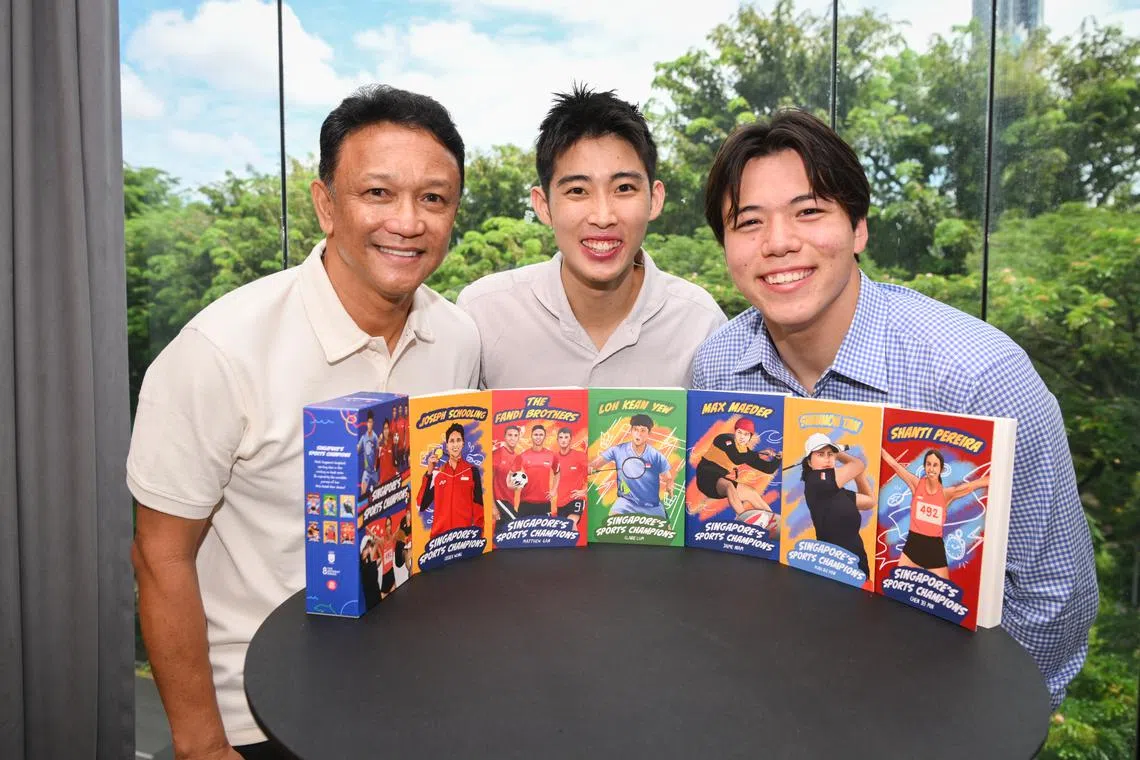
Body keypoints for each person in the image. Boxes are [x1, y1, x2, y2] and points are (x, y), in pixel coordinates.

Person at [691, 108, 1097, 708]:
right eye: (748, 222)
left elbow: (1052, 592)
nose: (778, 243)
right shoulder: (718, 367)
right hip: (771, 693)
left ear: (858, 229)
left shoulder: (977, 375)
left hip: (935, 707)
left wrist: (989, 724)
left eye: (809, 212)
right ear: (726, 244)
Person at [128, 85, 480, 759]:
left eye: (433, 199)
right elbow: (160, 555)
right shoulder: (221, 352)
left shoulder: (458, 337)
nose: (407, 221)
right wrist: (201, 745)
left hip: (413, 699)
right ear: (325, 204)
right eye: (377, 193)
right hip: (258, 717)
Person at [457, 84, 726, 388]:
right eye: (577, 191)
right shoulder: (483, 315)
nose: (602, 217)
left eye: (624, 188)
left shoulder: (700, 324)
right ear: (543, 206)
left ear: (655, 198)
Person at [881, 448, 990, 580]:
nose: (931, 468)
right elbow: (895, 465)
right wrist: (877, 447)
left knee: (944, 592)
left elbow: (974, 485)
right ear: (925, 466)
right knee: (897, 585)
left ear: (941, 469)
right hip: (913, 546)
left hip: (934, 549)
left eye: (935, 465)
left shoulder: (947, 493)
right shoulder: (917, 484)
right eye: (928, 464)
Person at [797, 434, 874, 578]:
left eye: (830, 454)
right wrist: (838, 453)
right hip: (833, 566)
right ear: (809, 462)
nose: (827, 458)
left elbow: (869, 502)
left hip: (858, 566)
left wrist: (859, 474)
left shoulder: (836, 491)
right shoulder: (817, 482)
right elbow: (858, 465)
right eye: (820, 454)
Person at [690, 418, 780, 530]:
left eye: (746, 434)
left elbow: (768, 469)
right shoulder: (723, 439)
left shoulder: (745, 452)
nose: (742, 437)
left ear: (750, 436)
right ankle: (744, 518)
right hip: (706, 477)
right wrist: (757, 454)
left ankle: (774, 525)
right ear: (735, 432)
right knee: (729, 485)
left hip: (719, 483)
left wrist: (778, 458)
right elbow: (736, 457)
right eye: (739, 433)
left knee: (751, 493)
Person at [590, 413, 676, 520]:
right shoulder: (617, 450)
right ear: (631, 431)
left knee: (667, 533)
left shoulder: (655, 455)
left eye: (643, 430)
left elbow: (668, 477)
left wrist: (669, 485)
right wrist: (590, 468)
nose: (638, 434)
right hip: (626, 503)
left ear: (649, 433)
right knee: (611, 523)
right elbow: (595, 464)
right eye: (635, 429)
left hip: (652, 506)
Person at [418, 423, 485, 538]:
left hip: (463, 538)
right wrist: (429, 473)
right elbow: (421, 505)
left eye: (458, 440)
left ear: (463, 443)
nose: (455, 444)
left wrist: (479, 536)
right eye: (452, 441)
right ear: (447, 445)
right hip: (439, 540)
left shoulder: (472, 471)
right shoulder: (438, 473)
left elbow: (479, 507)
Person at [512, 425, 555, 518]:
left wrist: (554, 490)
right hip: (525, 503)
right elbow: (512, 475)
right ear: (531, 436)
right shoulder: (522, 456)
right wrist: (514, 484)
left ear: (544, 437)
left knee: (544, 532)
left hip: (544, 503)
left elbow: (558, 472)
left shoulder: (551, 455)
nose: (538, 437)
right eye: (536, 434)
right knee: (523, 532)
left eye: (541, 434)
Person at [550, 426, 588, 530]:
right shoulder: (554, 458)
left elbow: (592, 474)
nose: (563, 440)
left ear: (570, 439)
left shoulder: (580, 456)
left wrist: (585, 491)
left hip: (575, 499)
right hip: (559, 503)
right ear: (557, 440)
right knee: (563, 531)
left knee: (570, 523)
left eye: (566, 437)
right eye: (561, 437)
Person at [492, 425, 522, 527]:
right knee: (517, 525)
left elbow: (511, 482)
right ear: (504, 437)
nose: (512, 438)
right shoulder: (497, 454)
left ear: (518, 438)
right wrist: (493, 506)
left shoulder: (518, 458)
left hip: (510, 501)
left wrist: (518, 486)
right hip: (499, 500)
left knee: (502, 534)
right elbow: (487, 481)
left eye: (515, 435)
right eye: (510, 435)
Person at [358, 410, 380, 500]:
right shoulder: (363, 437)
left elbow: (378, 451)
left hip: (374, 472)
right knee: (362, 493)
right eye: (368, 422)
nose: (369, 424)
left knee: (379, 492)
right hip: (366, 471)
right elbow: (358, 450)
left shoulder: (375, 437)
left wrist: (376, 465)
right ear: (366, 423)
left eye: (371, 422)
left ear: (373, 423)